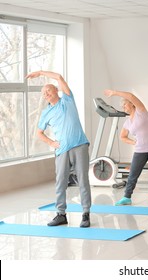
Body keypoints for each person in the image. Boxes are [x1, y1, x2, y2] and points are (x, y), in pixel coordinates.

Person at [26, 70, 91, 227]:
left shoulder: (67, 100)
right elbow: (39, 133)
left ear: (56, 90)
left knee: (82, 179)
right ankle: (61, 214)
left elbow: (59, 77)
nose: (46, 94)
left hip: (79, 145)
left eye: (48, 90)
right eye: (43, 93)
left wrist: (41, 73)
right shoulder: (46, 112)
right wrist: (51, 143)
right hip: (62, 150)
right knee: (60, 182)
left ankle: (85, 214)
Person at [104, 89, 148, 207]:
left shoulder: (141, 111)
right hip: (140, 148)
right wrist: (133, 142)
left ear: (131, 103)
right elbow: (122, 136)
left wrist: (114, 93)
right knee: (133, 174)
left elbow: (131, 96)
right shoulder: (127, 122)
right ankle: (127, 197)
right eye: (122, 105)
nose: (123, 107)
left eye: (125, 104)